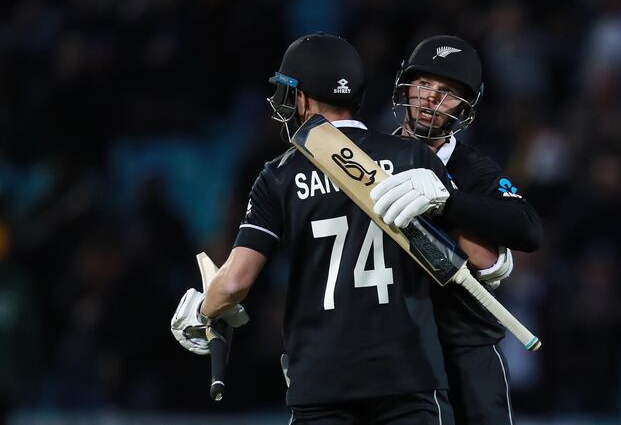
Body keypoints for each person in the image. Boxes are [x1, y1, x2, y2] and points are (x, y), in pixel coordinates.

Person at [170, 33, 457, 424]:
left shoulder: (280, 175)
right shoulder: (413, 156)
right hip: (408, 374)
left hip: (323, 380)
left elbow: (235, 282)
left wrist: (203, 309)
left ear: (302, 98)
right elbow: (470, 259)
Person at [370, 35, 543, 424]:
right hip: (389, 343)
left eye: (446, 91)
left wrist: (447, 200)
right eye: (424, 84)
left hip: (462, 340)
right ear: (406, 86)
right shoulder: (368, 158)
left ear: (466, 106)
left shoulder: (473, 169)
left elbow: (528, 229)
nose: (430, 98)